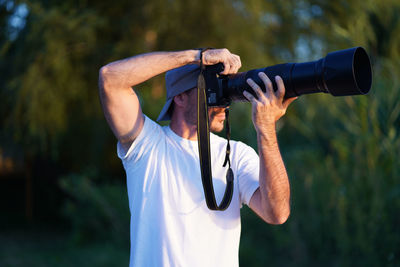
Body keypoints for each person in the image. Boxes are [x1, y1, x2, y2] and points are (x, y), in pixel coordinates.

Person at [98, 48, 297, 267]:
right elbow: (109, 78)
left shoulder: (237, 154)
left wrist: (266, 129)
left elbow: (277, 213)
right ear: (180, 97)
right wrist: (196, 57)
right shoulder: (148, 145)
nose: (223, 103)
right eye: (211, 89)